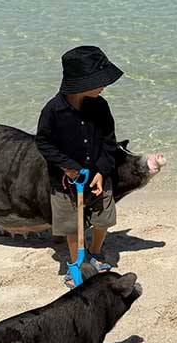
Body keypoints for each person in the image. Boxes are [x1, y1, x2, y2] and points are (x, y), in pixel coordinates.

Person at [35, 46, 127, 270]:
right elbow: (43, 142)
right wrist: (68, 166)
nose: (104, 86)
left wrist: (101, 172)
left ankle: (95, 252)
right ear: (81, 82)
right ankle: (76, 260)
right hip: (65, 180)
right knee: (71, 224)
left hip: (97, 175)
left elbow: (109, 142)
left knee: (102, 218)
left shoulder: (101, 106)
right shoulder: (53, 110)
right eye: (99, 81)